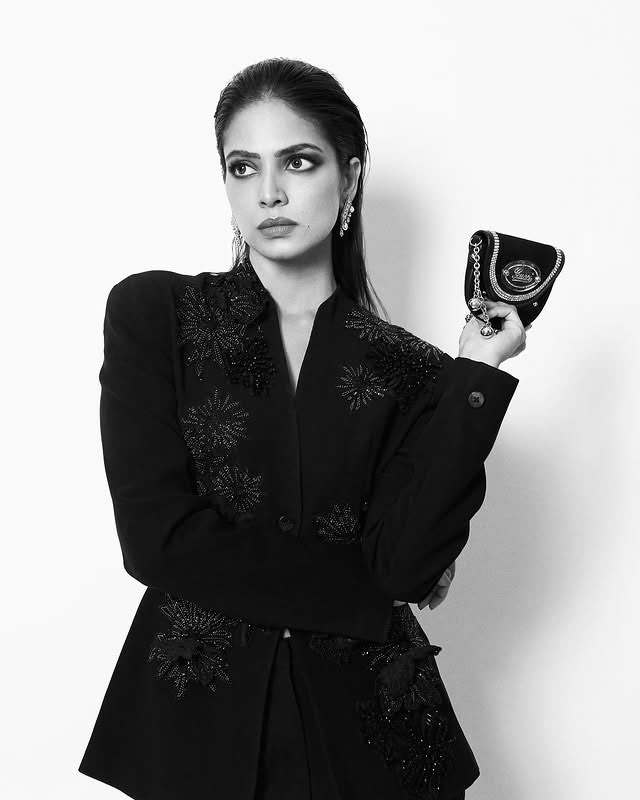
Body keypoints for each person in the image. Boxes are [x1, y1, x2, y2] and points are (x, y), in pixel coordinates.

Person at [78, 57, 526, 800]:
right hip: (194, 728)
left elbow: (406, 567)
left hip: (369, 734)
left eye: (298, 161)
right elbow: (156, 540)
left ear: (349, 177)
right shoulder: (155, 316)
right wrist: (366, 598)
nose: (269, 192)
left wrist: (476, 374)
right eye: (243, 167)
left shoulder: (418, 373)